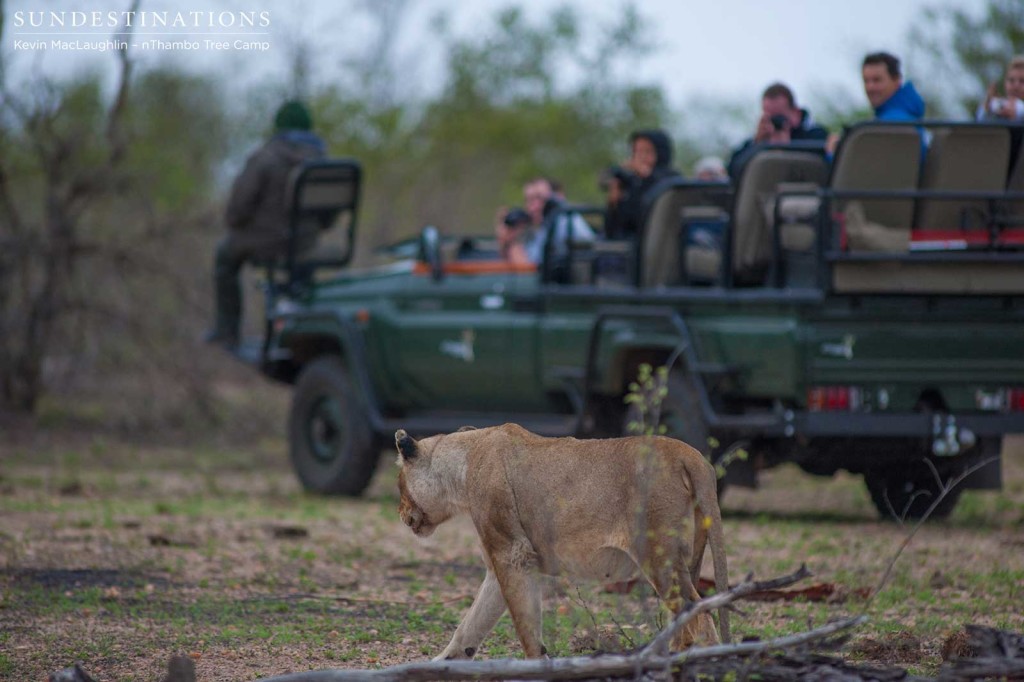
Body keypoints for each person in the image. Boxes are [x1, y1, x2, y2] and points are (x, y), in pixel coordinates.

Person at [206, 100, 327, 349]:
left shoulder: (265, 157)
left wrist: (240, 226)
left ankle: (227, 332)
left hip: (266, 244)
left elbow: (236, 210)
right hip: (306, 245)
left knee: (225, 257)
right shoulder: (322, 160)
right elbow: (328, 216)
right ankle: (299, 333)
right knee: (301, 272)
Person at [727, 82, 828, 180]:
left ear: (795, 113)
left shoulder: (816, 137)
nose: (774, 124)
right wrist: (758, 144)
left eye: (778, 117)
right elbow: (733, 171)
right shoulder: (756, 142)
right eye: (769, 118)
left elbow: (822, 170)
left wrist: (787, 148)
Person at [495, 177, 594, 266]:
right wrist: (506, 243)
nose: (533, 207)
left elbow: (529, 274)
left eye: (539, 198)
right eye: (528, 200)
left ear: (556, 198)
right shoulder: (538, 229)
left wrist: (513, 244)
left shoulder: (566, 222)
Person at [603, 129, 680, 240]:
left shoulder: (671, 180)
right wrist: (614, 202)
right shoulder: (631, 181)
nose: (640, 157)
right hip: (629, 244)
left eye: (647, 151)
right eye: (636, 152)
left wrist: (647, 177)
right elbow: (615, 228)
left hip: (660, 243)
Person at [861, 52, 924, 122]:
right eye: (866, 81)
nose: (870, 87)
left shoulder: (891, 124)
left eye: (877, 80)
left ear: (896, 80)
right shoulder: (912, 118)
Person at [977, 55, 1024, 121]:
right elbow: (980, 119)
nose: (1016, 86)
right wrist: (988, 101)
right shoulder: (998, 104)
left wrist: (1015, 117)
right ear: (1005, 83)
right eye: (1011, 80)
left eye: (1022, 81)